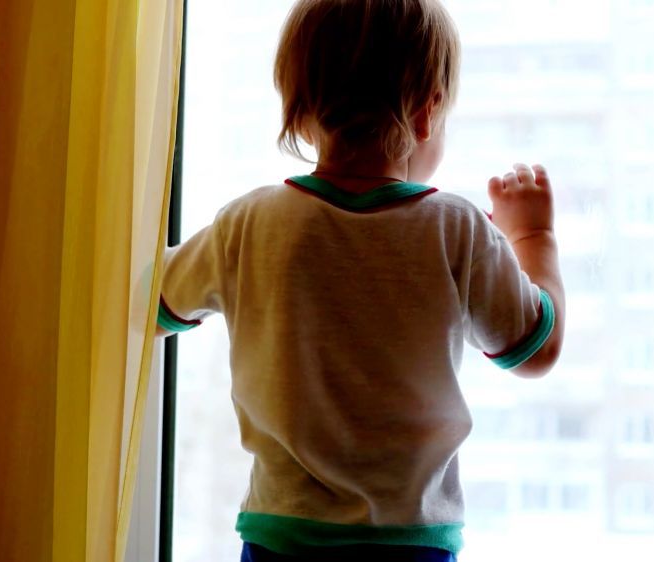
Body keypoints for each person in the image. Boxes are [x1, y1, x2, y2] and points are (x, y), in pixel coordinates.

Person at [156, 0, 565, 559]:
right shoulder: (457, 228)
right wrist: (535, 235)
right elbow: (536, 349)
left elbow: (153, 304)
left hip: (283, 537)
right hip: (409, 542)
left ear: (299, 110)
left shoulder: (249, 224)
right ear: (427, 112)